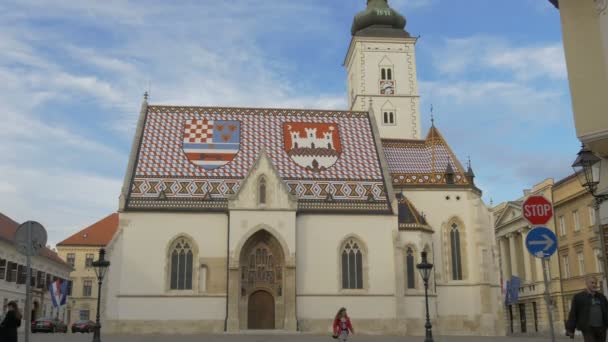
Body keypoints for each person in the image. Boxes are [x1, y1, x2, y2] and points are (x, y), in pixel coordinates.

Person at [566, 276, 608, 342]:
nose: (594, 285)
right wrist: (570, 329)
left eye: (595, 283)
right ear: (587, 284)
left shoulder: (602, 297)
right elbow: (573, 314)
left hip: (601, 328)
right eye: (592, 283)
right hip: (588, 329)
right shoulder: (578, 297)